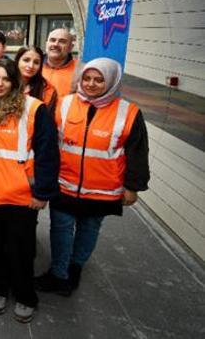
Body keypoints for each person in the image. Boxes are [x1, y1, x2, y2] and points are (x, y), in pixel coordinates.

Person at [35, 58, 149, 296]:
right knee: (61, 229)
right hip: (64, 183)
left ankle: (75, 267)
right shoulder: (64, 104)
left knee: (89, 229)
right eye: (87, 78)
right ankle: (59, 273)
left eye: (99, 80)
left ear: (112, 82)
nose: (91, 84)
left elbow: (137, 152)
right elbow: (47, 142)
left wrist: (132, 186)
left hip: (103, 188)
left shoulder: (128, 112)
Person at [0, 58, 59, 323]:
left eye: (5, 79)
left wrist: (41, 193)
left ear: (15, 82)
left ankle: (24, 295)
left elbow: (47, 153)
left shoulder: (34, 109)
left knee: (21, 248)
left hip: (22, 195)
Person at [15, 45, 57, 112]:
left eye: (36, 62)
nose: (31, 66)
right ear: (17, 61)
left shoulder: (47, 90)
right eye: (26, 60)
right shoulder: (5, 82)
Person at [42, 28, 79, 98]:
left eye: (62, 41)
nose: (56, 44)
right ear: (46, 44)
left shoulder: (80, 70)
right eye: (52, 40)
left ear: (71, 47)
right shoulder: (34, 66)